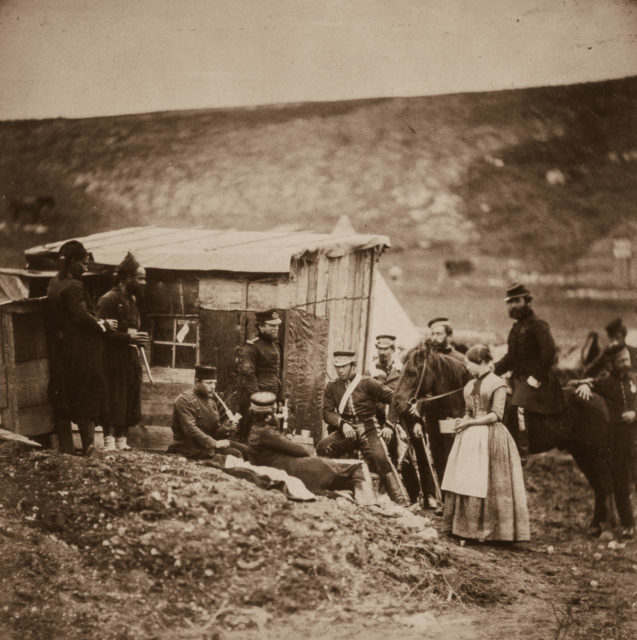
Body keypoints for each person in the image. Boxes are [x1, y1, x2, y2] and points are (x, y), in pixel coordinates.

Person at [442, 344, 530, 542]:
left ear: (481, 362)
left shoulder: (497, 383)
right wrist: (462, 421)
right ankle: (463, 527)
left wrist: (471, 423)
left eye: (469, 363)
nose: (467, 368)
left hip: (491, 436)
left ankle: (492, 531)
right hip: (469, 435)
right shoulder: (469, 385)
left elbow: (496, 415)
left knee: (487, 480)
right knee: (466, 478)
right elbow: (467, 412)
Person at [316, 350, 409, 506]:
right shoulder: (332, 387)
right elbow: (327, 412)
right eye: (337, 366)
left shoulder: (368, 383)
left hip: (369, 429)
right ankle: (334, 491)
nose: (340, 370)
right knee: (323, 448)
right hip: (345, 431)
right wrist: (342, 424)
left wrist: (389, 425)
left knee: (381, 458)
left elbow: (397, 400)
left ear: (353, 366)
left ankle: (402, 500)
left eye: (344, 366)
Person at [46, 240, 113, 455]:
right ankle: (89, 448)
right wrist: (102, 324)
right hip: (83, 350)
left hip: (64, 348)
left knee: (66, 397)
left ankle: (67, 448)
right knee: (88, 397)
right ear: (73, 261)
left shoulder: (54, 282)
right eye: (84, 264)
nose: (86, 268)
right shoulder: (74, 286)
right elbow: (80, 316)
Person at [247, 392, 375, 503]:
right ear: (269, 415)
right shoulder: (266, 433)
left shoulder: (255, 432)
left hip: (291, 470)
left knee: (342, 474)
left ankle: (355, 496)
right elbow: (300, 450)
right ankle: (370, 504)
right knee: (358, 465)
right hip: (300, 469)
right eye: (274, 412)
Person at [493, 284, 564, 462]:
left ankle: (521, 449)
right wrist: (492, 370)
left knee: (517, 405)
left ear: (527, 301)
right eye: (509, 302)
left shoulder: (537, 325)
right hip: (518, 379)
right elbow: (510, 357)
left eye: (517, 301)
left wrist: (536, 378)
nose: (513, 306)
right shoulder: (516, 329)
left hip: (538, 381)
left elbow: (549, 353)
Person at [576, 344, 635, 538]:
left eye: (627, 359)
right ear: (612, 364)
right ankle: (627, 524)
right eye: (621, 361)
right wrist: (584, 384)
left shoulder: (635, 380)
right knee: (620, 483)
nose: (626, 364)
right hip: (617, 442)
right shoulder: (606, 382)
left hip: (635, 440)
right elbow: (588, 382)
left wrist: (635, 414)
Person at [96, 253, 148, 451]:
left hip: (130, 358)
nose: (144, 282)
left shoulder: (132, 301)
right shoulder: (108, 300)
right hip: (113, 359)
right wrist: (129, 338)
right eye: (140, 278)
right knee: (114, 398)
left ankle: (122, 442)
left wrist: (139, 340)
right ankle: (109, 442)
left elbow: (133, 330)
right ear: (127, 278)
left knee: (129, 397)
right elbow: (101, 333)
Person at [370, 335, 420, 503]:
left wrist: (413, 404)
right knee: (382, 454)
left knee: (403, 453)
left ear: (393, 350)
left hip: (400, 417)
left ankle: (413, 494)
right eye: (380, 348)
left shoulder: (402, 370)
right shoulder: (371, 369)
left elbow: (413, 392)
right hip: (378, 417)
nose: (382, 352)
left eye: (386, 349)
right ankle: (385, 493)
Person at [167, 364, 249, 460]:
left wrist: (225, 428)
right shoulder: (184, 400)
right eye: (209, 383)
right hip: (189, 447)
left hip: (206, 444)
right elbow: (190, 430)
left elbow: (213, 432)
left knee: (246, 450)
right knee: (235, 454)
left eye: (214, 383)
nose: (213, 387)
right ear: (197, 382)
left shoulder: (211, 401)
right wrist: (215, 443)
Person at [235, 309, 283, 440]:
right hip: (255, 398)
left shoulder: (276, 346)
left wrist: (279, 397)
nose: (276, 328)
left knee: (269, 434)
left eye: (277, 325)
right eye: (272, 325)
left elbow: (276, 374)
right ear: (261, 326)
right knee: (250, 434)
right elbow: (248, 375)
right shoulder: (252, 347)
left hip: (271, 397)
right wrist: (258, 401)